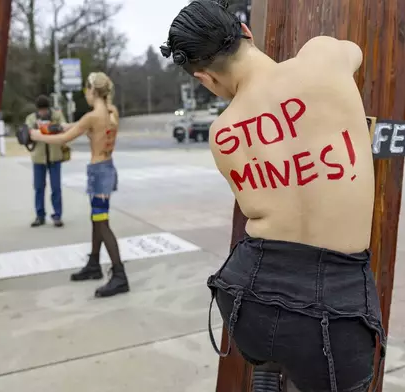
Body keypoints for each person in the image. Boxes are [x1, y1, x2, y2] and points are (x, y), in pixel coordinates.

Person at [162, 1, 385, 391]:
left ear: (204, 78)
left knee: (276, 343)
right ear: (246, 31)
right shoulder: (323, 58)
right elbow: (355, 52)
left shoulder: (223, 132)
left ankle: (269, 365)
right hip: (334, 305)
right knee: (319, 363)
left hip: (248, 295)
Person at [29, 72, 129, 298]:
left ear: (92, 91)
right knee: (97, 219)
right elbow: (76, 127)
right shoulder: (111, 112)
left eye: (87, 90)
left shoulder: (93, 116)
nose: (86, 94)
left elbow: (65, 139)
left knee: (102, 224)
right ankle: (94, 264)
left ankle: (120, 275)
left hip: (99, 173)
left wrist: (36, 135)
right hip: (107, 169)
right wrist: (60, 125)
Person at [25, 95, 67, 228]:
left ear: (48, 108)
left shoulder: (57, 115)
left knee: (56, 188)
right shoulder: (31, 118)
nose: (43, 112)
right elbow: (26, 134)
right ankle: (40, 215)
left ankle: (57, 216)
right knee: (38, 187)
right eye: (40, 110)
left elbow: (65, 127)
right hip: (38, 158)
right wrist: (36, 129)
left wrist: (53, 127)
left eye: (45, 110)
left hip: (54, 156)